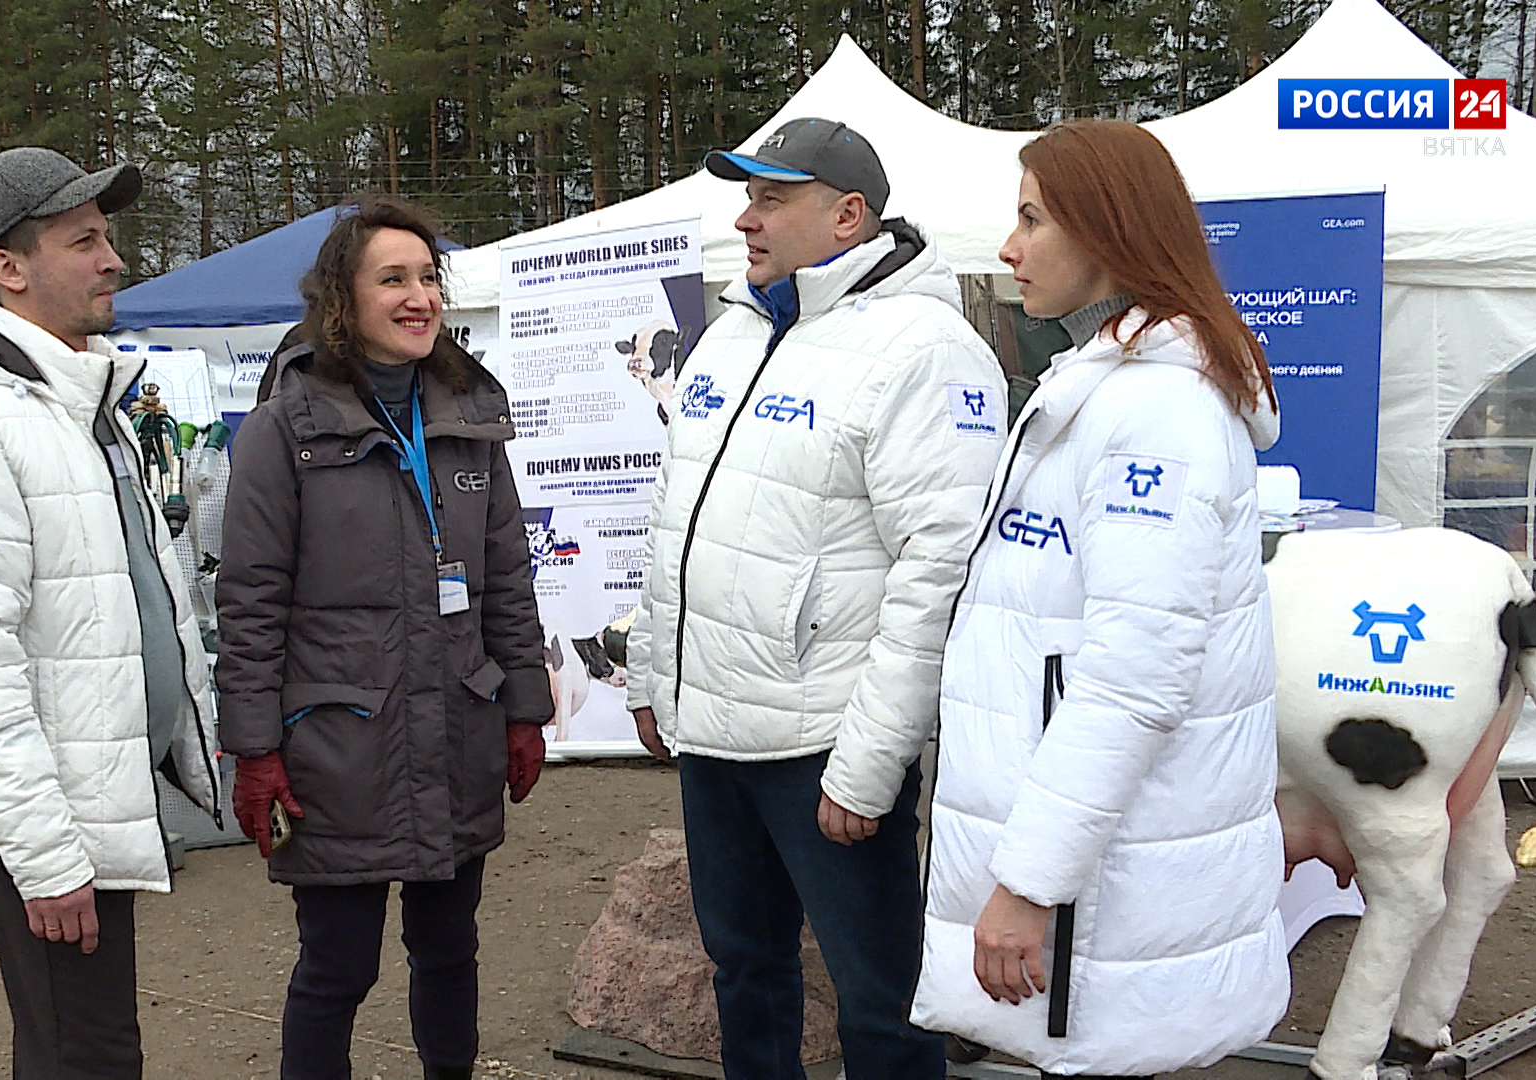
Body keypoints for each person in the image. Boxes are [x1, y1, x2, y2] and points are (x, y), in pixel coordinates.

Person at [623, 117, 1007, 1079]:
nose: (746, 219)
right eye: (746, 197)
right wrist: (652, 679)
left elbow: (938, 572)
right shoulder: (729, 333)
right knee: (744, 972)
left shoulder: (927, 348)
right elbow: (678, 519)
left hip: (824, 746)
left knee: (879, 1000)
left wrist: (871, 763)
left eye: (771, 197)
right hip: (713, 731)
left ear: (848, 215)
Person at [909, 119, 1290, 1079]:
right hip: (1098, 870)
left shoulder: (1155, 415)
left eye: (1033, 218)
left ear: (1110, 233)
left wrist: (1030, 883)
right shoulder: (1105, 390)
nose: (1007, 247)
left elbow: (1133, 680)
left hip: (1102, 889)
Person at [0, 146, 223, 1079]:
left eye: (108, 237)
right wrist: (44, 857)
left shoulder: (76, 407)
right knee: (84, 1054)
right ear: (10, 267)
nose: (114, 259)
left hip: (95, 792)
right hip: (52, 819)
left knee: (96, 1045)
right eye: (85, 241)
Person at [216, 196, 553, 1080]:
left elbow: (507, 584)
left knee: (450, 952)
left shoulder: (470, 419)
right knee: (338, 969)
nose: (420, 296)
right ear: (342, 299)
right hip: (339, 748)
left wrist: (524, 708)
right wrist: (254, 749)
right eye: (393, 279)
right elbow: (249, 601)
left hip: (455, 731)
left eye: (429, 277)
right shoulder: (284, 429)